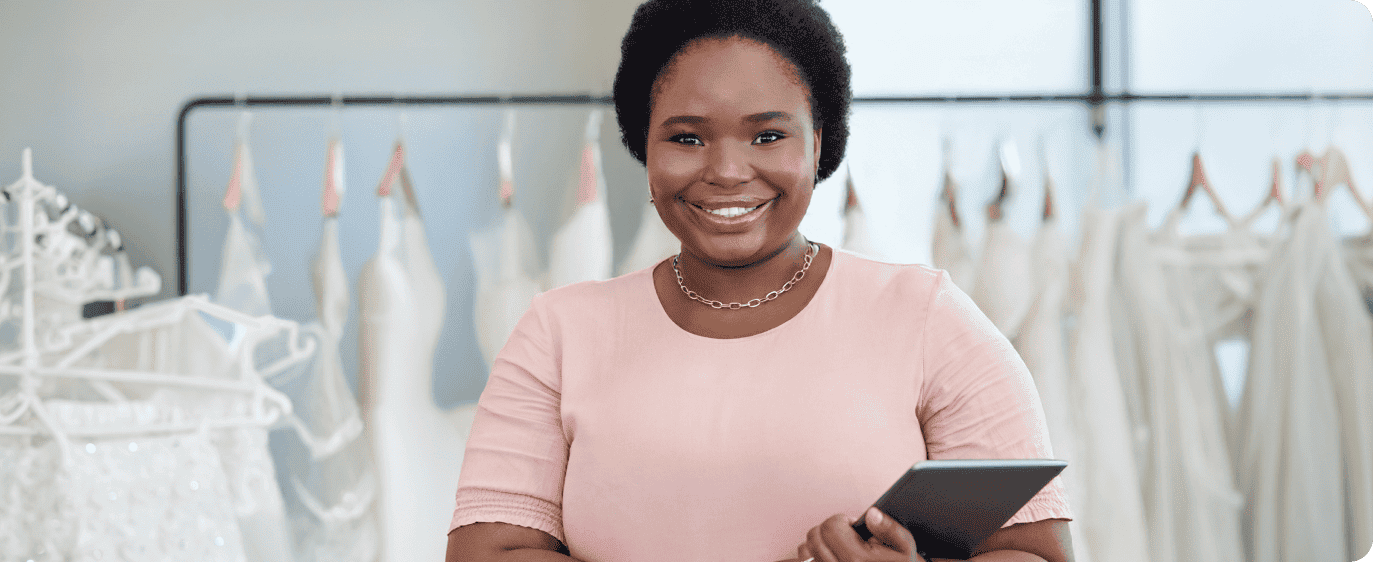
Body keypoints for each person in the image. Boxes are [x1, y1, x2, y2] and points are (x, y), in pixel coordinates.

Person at [445, 1, 1074, 560]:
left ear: (821, 142)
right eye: (687, 137)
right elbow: (486, 550)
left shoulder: (929, 318)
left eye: (768, 135)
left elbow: (1036, 553)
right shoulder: (558, 334)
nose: (726, 171)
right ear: (643, 147)